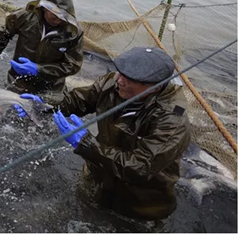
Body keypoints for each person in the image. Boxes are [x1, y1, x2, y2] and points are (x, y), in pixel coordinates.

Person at [23, 47, 191, 225]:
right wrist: (43, 106)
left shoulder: (172, 121)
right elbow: (77, 101)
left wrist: (87, 145)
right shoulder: (113, 83)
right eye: (120, 73)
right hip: (97, 182)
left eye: (129, 79)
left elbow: (140, 167)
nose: (120, 80)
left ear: (153, 87)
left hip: (138, 206)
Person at [0, 0, 83, 94]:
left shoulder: (74, 33)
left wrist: (39, 69)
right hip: (18, 79)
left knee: (48, 104)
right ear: (45, 9)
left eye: (63, 17)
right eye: (54, 16)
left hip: (51, 86)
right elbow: (3, 35)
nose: (58, 20)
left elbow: (73, 65)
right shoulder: (25, 16)